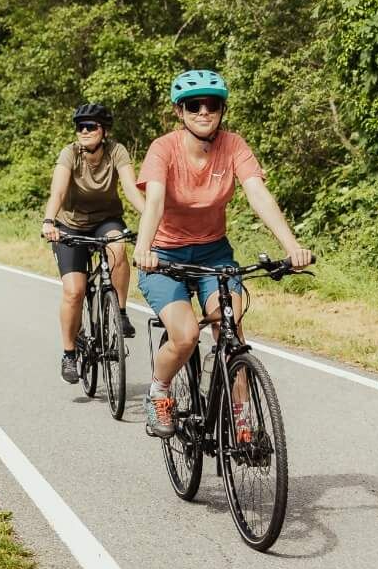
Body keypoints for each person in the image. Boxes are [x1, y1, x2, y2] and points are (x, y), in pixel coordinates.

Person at [131, 70, 315, 437]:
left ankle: (241, 417)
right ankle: (160, 391)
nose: (204, 112)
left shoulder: (233, 145)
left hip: (214, 255)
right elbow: (153, 202)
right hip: (164, 257)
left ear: (222, 110)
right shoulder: (163, 149)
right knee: (184, 337)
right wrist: (143, 248)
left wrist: (291, 246)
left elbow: (257, 193)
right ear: (179, 112)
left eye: (212, 105)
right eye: (194, 105)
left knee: (230, 328)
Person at [40, 101, 141, 385]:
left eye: (90, 126)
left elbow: (132, 190)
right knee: (75, 291)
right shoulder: (69, 153)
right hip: (69, 226)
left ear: (104, 131)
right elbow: (58, 192)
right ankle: (69, 353)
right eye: (80, 127)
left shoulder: (116, 152)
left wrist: (153, 217)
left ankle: (119, 312)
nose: (83, 131)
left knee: (118, 248)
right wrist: (49, 221)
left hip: (105, 221)